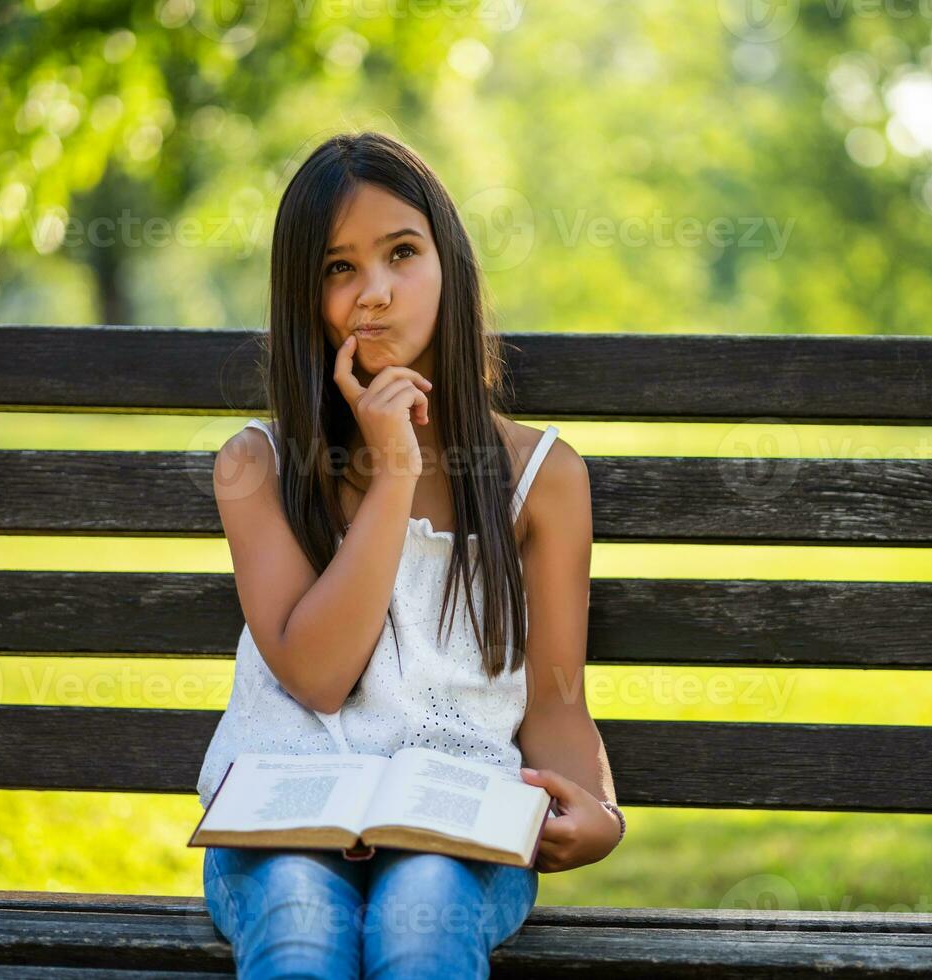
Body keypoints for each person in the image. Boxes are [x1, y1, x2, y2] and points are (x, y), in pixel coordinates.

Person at [196, 130, 624, 979]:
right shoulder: (257, 466)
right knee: (298, 931)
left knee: (421, 920)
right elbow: (318, 673)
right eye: (338, 268)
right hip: (282, 822)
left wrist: (601, 815)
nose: (375, 294)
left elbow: (558, 701)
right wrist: (393, 470)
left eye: (402, 253)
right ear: (303, 297)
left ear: (448, 263)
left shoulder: (541, 478)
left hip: (456, 825)